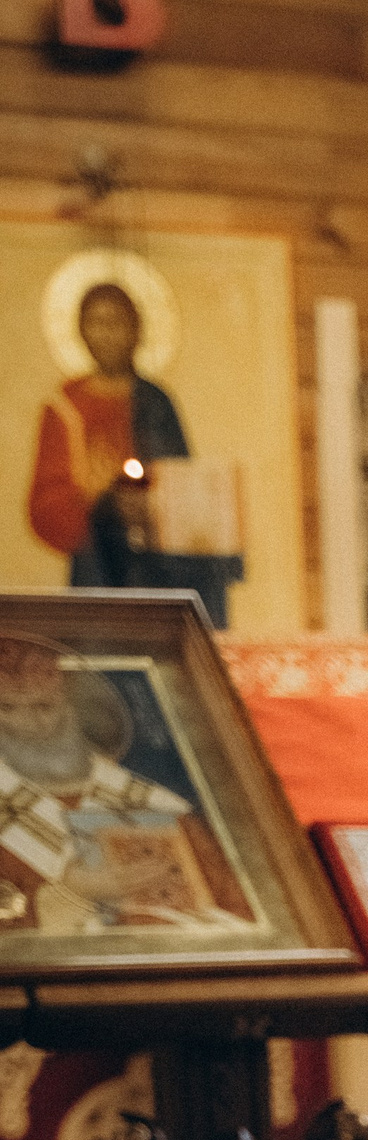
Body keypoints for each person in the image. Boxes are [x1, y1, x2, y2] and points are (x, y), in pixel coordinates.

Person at [0, 630, 250, 936]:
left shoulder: (155, 805)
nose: (26, 723)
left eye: (44, 707)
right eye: (6, 708)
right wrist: (68, 893)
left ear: (71, 708)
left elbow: (239, 916)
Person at [27, 279, 240, 628]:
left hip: (159, 570)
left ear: (136, 329)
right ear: (81, 331)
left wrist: (153, 500)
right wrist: (93, 497)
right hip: (98, 566)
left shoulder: (155, 401)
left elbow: (179, 484)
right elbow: (45, 506)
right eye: (96, 322)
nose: (107, 334)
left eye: (117, 322)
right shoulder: (65, 408)